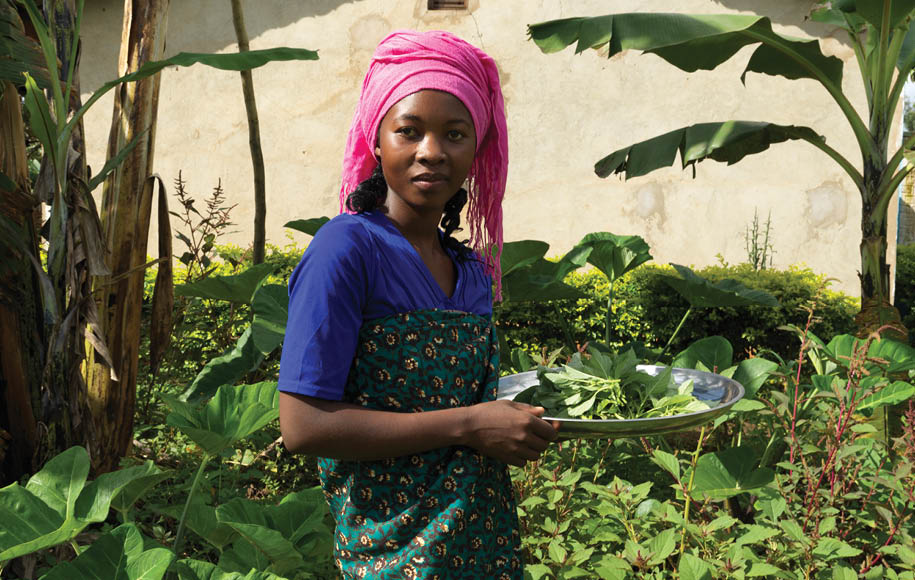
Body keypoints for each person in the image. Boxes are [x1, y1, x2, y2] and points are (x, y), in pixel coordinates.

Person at [278, 29, 559, 579]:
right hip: (392, 556)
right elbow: (303, 426)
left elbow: (464, 405)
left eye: (454, 134)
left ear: (476, 149)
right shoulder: (347, 249)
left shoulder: (471, 271)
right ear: (377, 140)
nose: (431, 151)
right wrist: (469, 424)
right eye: (408, 130)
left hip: (485, 549)